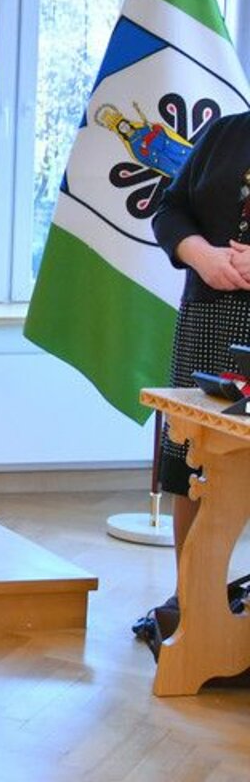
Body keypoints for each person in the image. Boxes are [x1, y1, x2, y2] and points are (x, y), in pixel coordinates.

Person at [137, 112, 250, 649]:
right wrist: (200, 254)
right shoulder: (226, 132)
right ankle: (194, 603)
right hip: (210, 317)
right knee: (194, 462)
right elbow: (170, 209)